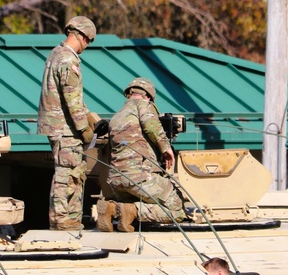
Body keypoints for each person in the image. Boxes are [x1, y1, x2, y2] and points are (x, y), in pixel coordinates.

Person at [37, 16, 107, 230]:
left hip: (58, 126)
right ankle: (62, 219)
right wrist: (85, 129)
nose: (87, 45)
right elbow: (72, 99)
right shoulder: (68, 60)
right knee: (67, 173)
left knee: (73, 172)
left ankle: (70, 219)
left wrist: (92, 119)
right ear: (83, 37)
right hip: (65, 128)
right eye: (89, 41)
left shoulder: (55, 54)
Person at [100, 77, 186, 232]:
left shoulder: (117, 115)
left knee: (128, 206)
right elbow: (150, 125)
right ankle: (134, 211)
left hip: (116, 181)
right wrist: (166, 149)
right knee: (176, 208)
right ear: (148, 96)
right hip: (139, 177)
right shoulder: (143, 105)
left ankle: (112, 208)